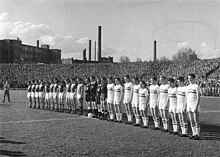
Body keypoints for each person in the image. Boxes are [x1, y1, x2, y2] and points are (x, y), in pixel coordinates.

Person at [186, 73, 201, 140]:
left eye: (191, 78)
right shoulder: (188, 87)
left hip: (194, 104)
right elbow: (186, 97)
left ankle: (198, 134)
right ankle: (194, 133)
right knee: (191, 120)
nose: (189, 80)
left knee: (196, 120)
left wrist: (196, 106)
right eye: (189, 79)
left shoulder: (196, 86)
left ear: (194, 79)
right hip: (189, 105)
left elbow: (198, 97)